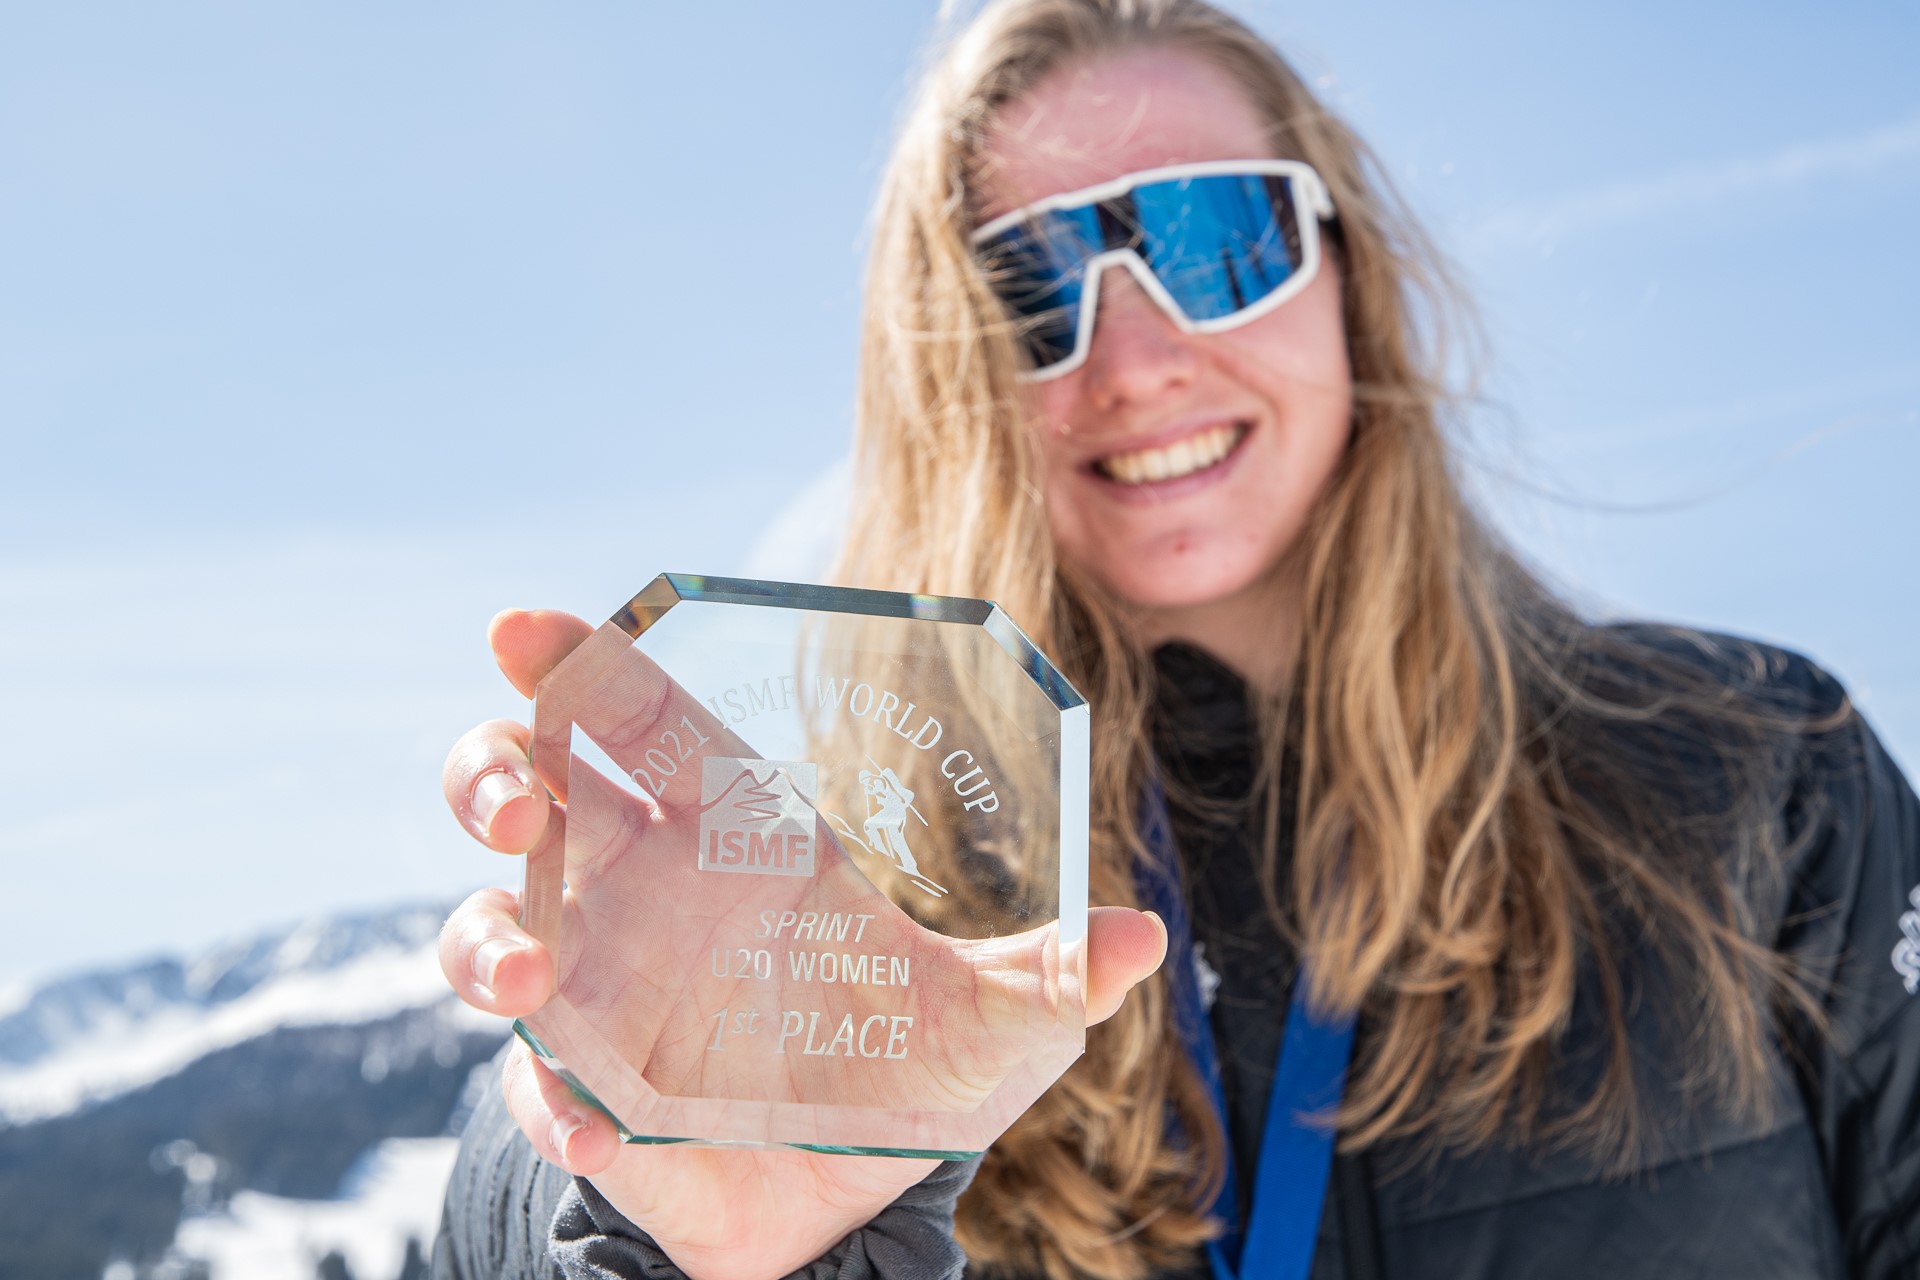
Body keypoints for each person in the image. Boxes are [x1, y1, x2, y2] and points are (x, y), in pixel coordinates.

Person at [431, 0, 1920, 1276]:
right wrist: (636, 1189)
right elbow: (504, 1219)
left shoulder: (1757, 782)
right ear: (944, 379)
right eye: (1031, 287)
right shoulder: (845, 872)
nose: (1137, 361)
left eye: (1214, 239)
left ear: (1346, 267)